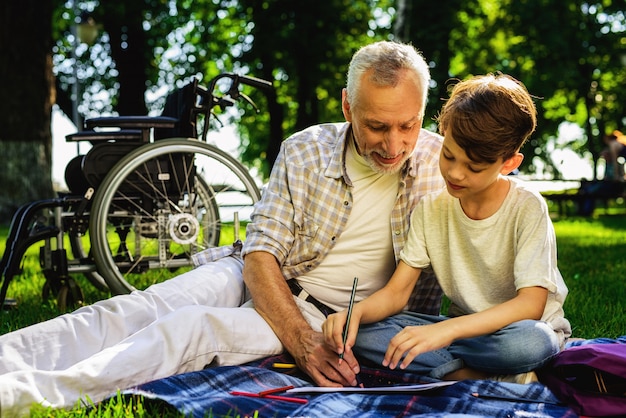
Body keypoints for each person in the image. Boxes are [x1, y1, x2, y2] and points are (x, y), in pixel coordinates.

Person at [0, 40, 445, 415]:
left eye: (408, 125)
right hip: (262, 276)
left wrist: (312, 337)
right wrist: (299, 340)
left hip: (330, 318)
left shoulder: (444, 167)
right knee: (134, 308)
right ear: (348, 106)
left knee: (191, 328)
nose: (394, 144)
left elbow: (506, 200)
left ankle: (26, 397)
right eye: (377, 126)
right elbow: (260, 254)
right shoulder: (306, 150)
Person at [323, 73, 572, 384]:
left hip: (516, 331)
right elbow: (397, 294)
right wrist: (354, 315)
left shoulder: (527, 206)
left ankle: (468, 369)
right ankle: (479, 373)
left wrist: (445, 330)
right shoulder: (431, 209)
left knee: (533, 342)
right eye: (449, 155)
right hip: (463, 336)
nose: (455, 173)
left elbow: (530, 305)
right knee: (363, 335)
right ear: (442, 134)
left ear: (508, 163)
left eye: (474, 167)